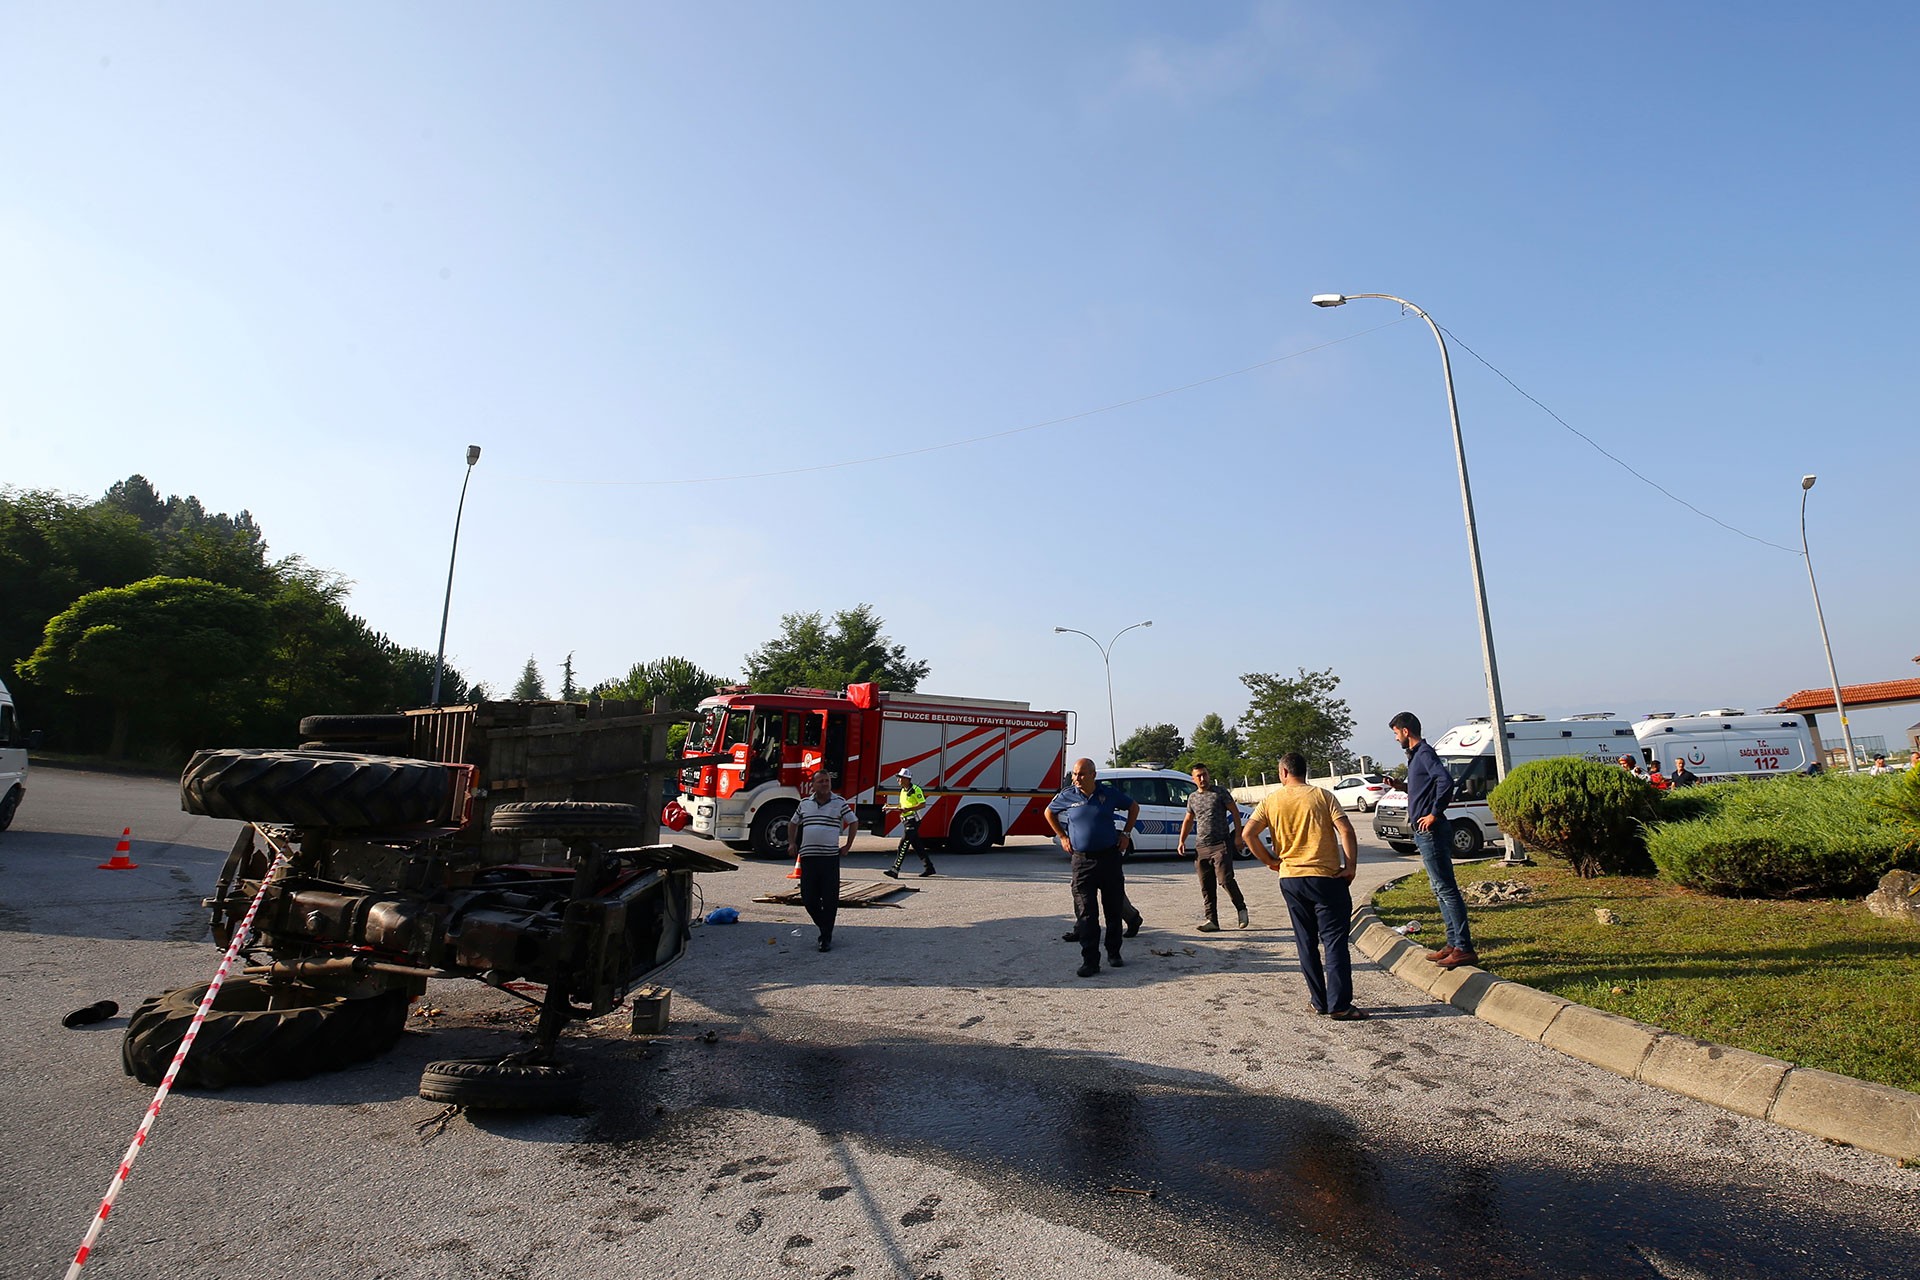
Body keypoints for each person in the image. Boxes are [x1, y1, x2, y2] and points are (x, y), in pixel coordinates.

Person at [1243, 752, 1364, 1019]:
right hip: (1326, 877)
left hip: (1291, 878)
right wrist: (1350, 866)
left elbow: (1247, 834)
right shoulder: (1322, 796)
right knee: (1334, 941)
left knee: (1305, 941)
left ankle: (1318, 1001)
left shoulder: (1270, 801)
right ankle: (1340, 1005)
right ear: (1304, 771)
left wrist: (1270, 861)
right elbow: (1346, 830)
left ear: (1283, 772)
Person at [1390, 712, 1477, 970]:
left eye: (1396, 733)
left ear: (1406, 731)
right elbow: (1425, 787)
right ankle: (1453, 943)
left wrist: (1434, 813)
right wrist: (1401, 787)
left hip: (1431, 830)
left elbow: (1445, 781)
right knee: (1438, 888)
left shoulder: (1425, 752)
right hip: (1423, 831)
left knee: (1446, 888)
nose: (1396, 739)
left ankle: (1463, 948)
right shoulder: (1416, 757)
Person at [1045, 758, 1139, 978]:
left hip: (1109, 858)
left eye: (1082, 774)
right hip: (1082, 861)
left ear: (1093, 775)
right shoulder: (1068, 794)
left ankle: (1114, 952)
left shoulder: (1108, 793)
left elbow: (1134, 807)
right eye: (1075, 774)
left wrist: (1125, 834)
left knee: (1113, 909)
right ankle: (1090, 960)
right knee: (1087, 913)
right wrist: (1062, 836)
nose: (1077, 778)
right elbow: (1049, 812)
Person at [788, 769, 857, 952]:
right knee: (808, 897)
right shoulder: (804, 804)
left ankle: (825, 937)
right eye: (821, 782)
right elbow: (793, 823)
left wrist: (848, 845)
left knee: (830, 898)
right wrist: (791, 843)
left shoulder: (839, 802)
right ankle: (823, 926)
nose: (825, 784)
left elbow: (853, 822)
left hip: (830, 859)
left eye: (827, 781)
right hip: (809, 858)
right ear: (813, 785)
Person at [1176, 762, 1248, 931]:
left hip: (1221, 844)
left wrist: (1238, 836)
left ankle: (1241, 908)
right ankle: (1212, 920)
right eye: (1199, 776)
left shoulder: (1220, 792)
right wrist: (1181, 841)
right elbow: (1188, 820)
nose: (1203, 778)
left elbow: (1235, 812)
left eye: (1205, 774)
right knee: (1206, 885)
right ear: (1193, 779)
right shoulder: (1192, 798)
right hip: (1201, 847)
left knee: (1225, 880)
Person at [883, 768, 937, 879]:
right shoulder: (903, 790)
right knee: (917, 846)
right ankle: (929, 868)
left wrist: (910, 809)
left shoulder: (916, 790)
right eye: (898, 778)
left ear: (907, 779)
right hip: (906, 821)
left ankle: (895, 869)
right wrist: (889, 807)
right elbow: (902, 807)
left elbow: (922, 804)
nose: (898, 780)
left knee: (903, 844)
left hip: (913, 821)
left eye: (900, 778)